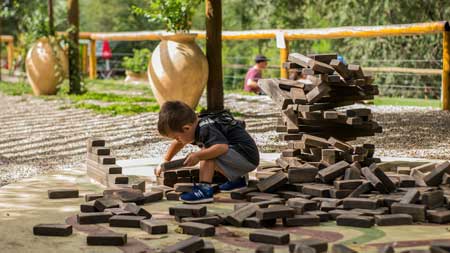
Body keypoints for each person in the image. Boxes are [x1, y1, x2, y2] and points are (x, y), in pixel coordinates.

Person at [155, 101, 260, 204]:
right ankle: (238, 180)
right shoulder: (197, 126)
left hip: (247, 158)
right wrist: (165, 161)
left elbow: (221, 147)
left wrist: (198, 156)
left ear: (186, 128)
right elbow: (178, 143)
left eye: (177, 137)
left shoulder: (206, 128)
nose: (177, 140)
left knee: (207, 153)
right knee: (208, 150)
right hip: (244, 156)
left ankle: (204, 190)